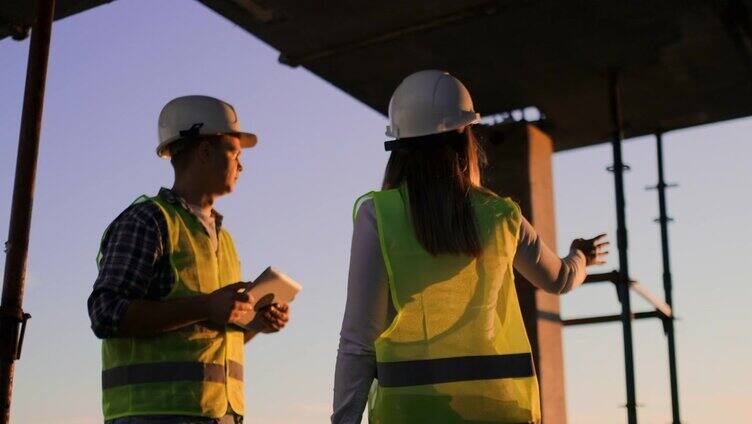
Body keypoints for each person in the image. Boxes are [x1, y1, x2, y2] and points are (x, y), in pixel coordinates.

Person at [331, 70, 608, 424]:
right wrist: (581, 255)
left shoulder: (379, 216)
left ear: (398, 147)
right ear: (466, 136)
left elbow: (358, 343)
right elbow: (560, 279)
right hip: (499, 412)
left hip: (413, 415)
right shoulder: (501, 216)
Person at [87, 95, 290, 424]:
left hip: (221, 415)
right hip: (153, 415)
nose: (241, 165)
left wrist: (254, 324)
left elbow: (208, 335)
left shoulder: (224, 241)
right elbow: (105, 313)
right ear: (206, 151)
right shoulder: (148, 221)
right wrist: (204, 306)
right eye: (234, 153)